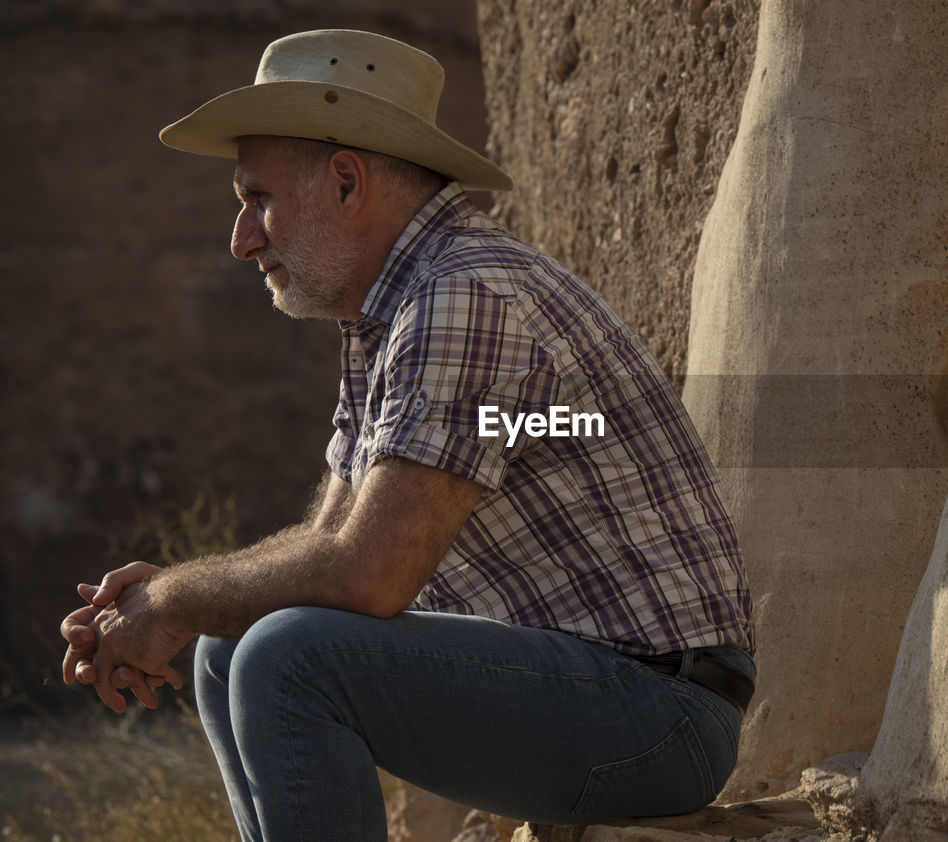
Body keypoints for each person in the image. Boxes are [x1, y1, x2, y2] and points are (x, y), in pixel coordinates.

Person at [58, 28, 754, 841]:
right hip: (598, 691)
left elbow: (366, 576)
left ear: (348, 183)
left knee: (286, 660)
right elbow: (330, 543)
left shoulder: (463, 297)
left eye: (259, 200)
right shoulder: (389, 315)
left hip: (658, 714)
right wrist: (169, 603)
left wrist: (169, 599)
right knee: (228, 649)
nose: (243, 239)